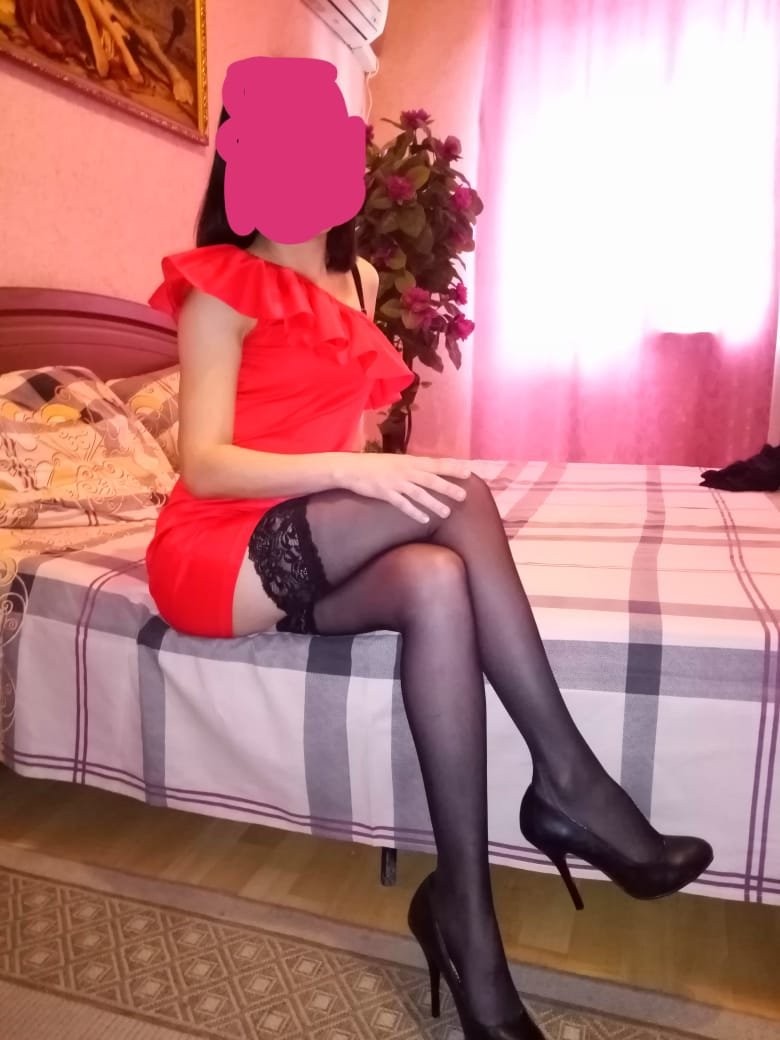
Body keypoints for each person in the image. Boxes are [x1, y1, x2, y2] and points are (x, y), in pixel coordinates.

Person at [147, 111, 713, 1040]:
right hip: (213, 551)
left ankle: (465, 917)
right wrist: (358, 474)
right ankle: (570, 783)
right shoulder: (221, 283)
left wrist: (361, 482)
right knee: (465, 497)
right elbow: (204, 465)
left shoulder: (361, 279)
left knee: (439, 581)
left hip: (298, 541)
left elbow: (339, 431)